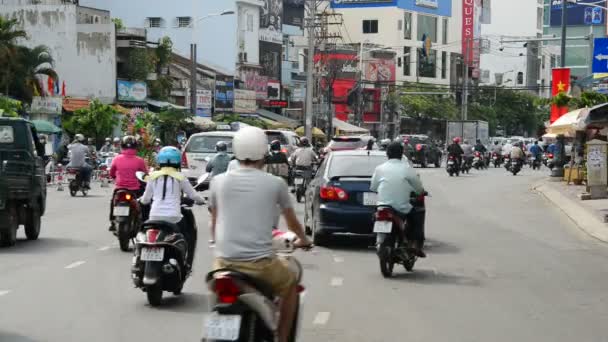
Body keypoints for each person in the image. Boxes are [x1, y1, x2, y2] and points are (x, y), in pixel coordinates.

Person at [208, 126, 312, 342]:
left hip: (223, 263)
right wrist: (303, 240)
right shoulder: (275, 183)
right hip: (260, 265)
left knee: (215, 291)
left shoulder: (219, 181)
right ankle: (282, 338)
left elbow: (214, 222)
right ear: (264, 153)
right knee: (291, 286)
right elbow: (292, 223)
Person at [139, 146, 204, 270]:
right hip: (174, 218)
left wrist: (142, 201)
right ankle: (185, 262)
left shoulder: (152, 176)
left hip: (154, 217)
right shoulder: (181, 177)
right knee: (186, 235)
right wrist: (202, 201)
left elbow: (145, 199)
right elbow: (193, 195)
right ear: (178, 161)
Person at [370, 142, 426, 257]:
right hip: (401, 207)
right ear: (402, 154)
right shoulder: (407, 169)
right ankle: (414, 244)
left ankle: (379, 242)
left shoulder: (379, 169)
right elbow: (418, 187)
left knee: (374, 215)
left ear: (387, 154)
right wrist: (420, 192)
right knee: (417, 216)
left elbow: (373, 187)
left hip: (382, 206)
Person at [108, 136, 148, 231]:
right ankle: (144, 223)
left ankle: (112, 222)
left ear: (122, 146)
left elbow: (112, 172)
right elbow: (145, 175)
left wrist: (115, 178)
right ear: (135, 147)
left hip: (119, 188)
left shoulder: (117, 159)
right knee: (143, 204)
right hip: (135, 189)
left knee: (113, 202)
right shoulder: (139, 160)